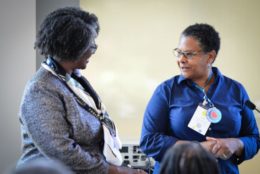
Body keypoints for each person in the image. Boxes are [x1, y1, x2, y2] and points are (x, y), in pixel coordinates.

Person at [17, 7, 146, 174]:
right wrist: (118, 172)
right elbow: (62, 152)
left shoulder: (73, 79)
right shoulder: (41, 89)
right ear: (71, 47)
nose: (93, 50)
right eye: (90, 45)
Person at [140, 23, 259, 174]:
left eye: (189, 54)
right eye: (179, 52)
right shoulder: (166, 90)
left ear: (210, 57)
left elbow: (254, 138)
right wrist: (197, 148)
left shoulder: (236, 90)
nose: (181, 59)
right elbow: (149, 141)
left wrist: (237, 144)